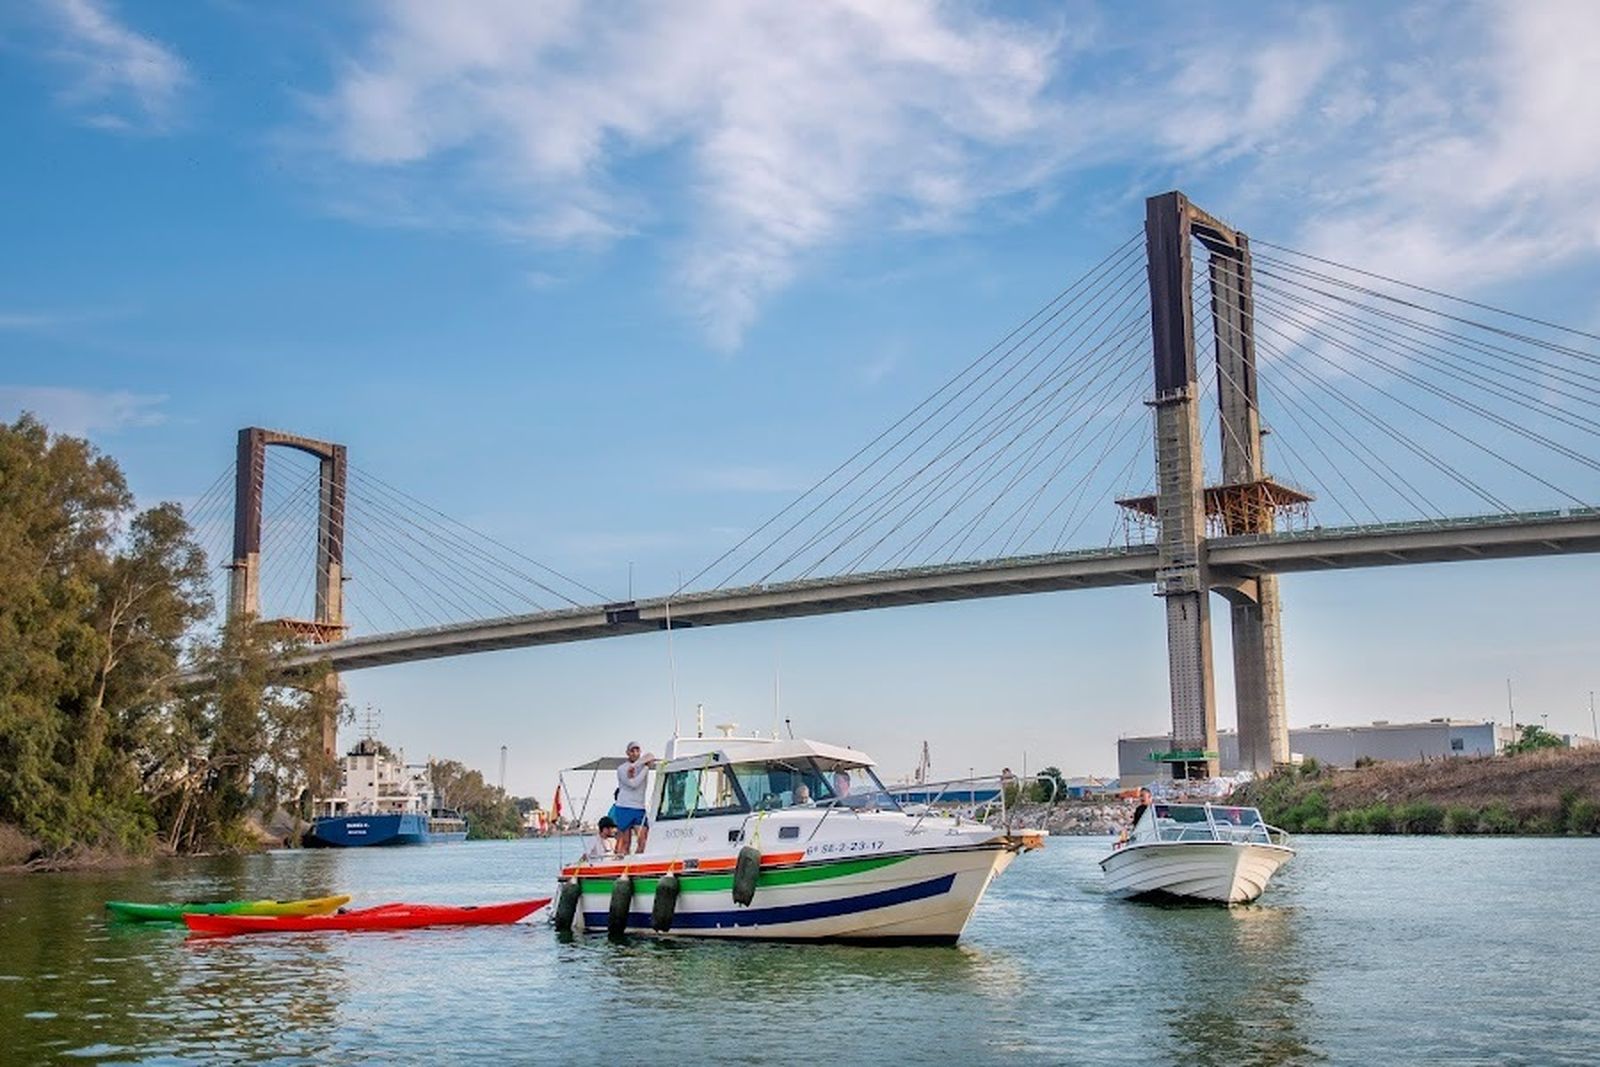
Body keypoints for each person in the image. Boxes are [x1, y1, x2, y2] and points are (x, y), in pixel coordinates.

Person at [610, 741, 656, 855]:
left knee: (643, 841)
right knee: (626, 843)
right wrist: (646, 769)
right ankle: (622, 865)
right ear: (627, 753)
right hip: (624, 806)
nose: (635, 753)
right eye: (632, 750)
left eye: (637, 750)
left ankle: (636, 865)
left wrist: (636, 766)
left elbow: (651, 756)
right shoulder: (621, 769)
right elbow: (633, 784)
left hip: (639, 807)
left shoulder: (641, 764)